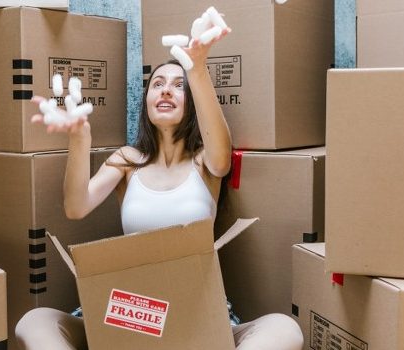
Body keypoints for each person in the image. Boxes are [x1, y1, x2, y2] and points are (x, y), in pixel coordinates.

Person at [16, 26, 303, 350]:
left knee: (284, 330)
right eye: (158, 84)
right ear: (147, 99)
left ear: (192, 102)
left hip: (196, 311)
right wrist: (79, 137)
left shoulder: (204, 163)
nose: (166, 91)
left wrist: (196, 67)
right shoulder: (128, 160)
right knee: (35, 322)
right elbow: (76, 206)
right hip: (133, 312)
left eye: (179, 86)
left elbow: (222, 158)